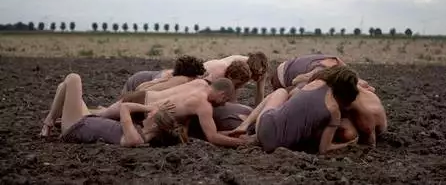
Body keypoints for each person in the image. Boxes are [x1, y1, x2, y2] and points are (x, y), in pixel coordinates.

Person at [226, 66, 360, 154]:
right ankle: (256, 134)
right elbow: (324, 149)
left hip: (264, 127)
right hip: (277, 147)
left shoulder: (315, 83)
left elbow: (293, 98)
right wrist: (348, 144)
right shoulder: (334, 110)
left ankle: (245, 125)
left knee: (280, 92)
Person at [96, 77, 251, 148]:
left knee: (97, 116)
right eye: (224, 101)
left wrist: (230, 132)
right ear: (222, 95)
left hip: (141, 97)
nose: (222, 105)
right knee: (92, 120)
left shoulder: (200, 82)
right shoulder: (203, 105)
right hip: (143, 113)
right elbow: (212, 137)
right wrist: (242, 143)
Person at [40, 73, 183, 147]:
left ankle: (49, 121)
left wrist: (150, 106)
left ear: (156, 124)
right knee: (63, 88)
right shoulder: (141, 133)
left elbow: (125, 107)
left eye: (152, 114)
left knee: (73, 78)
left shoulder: (135, 138)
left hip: (75, 127)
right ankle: (53, 120)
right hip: (86, 120)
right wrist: (159, 110)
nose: (149, 113)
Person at [270, 54, 374, 92]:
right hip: (282, 77)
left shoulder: (337, 63)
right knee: (304, 90)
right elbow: (298, 79)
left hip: (289, 66)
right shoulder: (328, 69)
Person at [121, 55, 206, 94]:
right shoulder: (176, 79)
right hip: (136, 82)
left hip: (142, 81)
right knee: (120, 106)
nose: (196, 78)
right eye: (195, 76)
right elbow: (142, 90)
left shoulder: (179, 76)